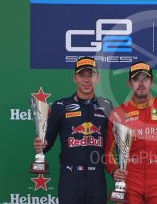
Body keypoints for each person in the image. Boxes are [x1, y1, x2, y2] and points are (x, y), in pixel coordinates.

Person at [34, 57, 113, 204]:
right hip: (70, 177)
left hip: (97, 178)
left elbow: (113, 143)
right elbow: (48, 141)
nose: (86, 80)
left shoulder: (107, 106)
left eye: (91, 75)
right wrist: (41, 144)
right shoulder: (61, 106)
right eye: (82, 75)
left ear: (97, 78)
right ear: (74, 78)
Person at [105, 61, 157, 204]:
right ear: (129, 83)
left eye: (145, 79)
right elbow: (108, 152)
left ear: (152, 82)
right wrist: (113, 169)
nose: (141, 83)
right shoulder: (118, 114)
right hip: (130, 180)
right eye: (136, 79)